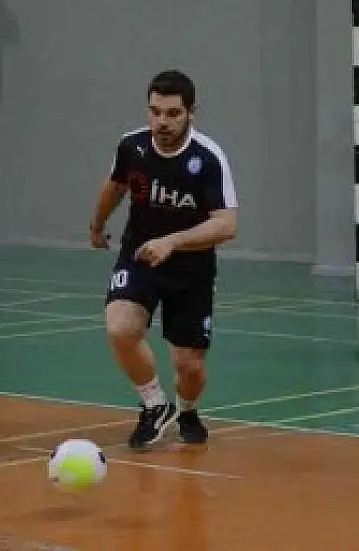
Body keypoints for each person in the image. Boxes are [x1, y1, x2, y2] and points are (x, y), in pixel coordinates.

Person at [89, 70, 238, 450]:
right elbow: (115, 186)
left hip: (191, 269)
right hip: (140, 256)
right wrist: (97, 225)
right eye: (155, 112)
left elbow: (226, 225)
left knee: (189, 367)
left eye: (173, 114)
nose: (162, 122)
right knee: (120, 328)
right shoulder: (132, 146)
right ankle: (155, 405)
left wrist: (173, 242)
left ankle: (186, 409)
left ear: (191, 113)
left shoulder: (207, 157)